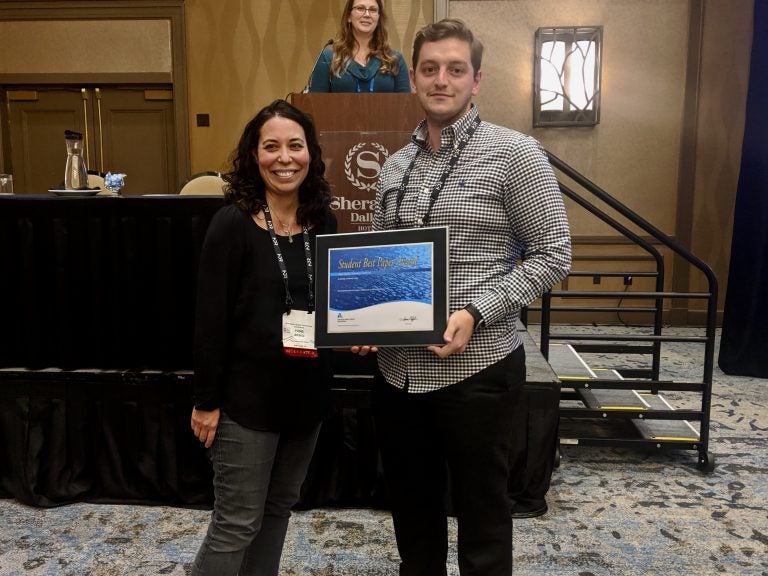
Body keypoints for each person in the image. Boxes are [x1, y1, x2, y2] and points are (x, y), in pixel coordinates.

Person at [353, 19, 572, 576]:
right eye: (429, 69)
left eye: (455, 69)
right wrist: (366, 320)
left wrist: (477, 311)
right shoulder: (394, 167)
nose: (441, 80)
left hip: (478, 371)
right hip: (397, 375)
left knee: (482, 517)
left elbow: (553, 255)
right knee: (412, 514)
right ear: (414, 80)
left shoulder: (515, 154)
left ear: (477, 80)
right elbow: (386, 262)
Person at [190, 99, 337, 576]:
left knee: (277, 513)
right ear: (255, 156)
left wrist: (358, 331)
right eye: (271, 147)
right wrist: (206, 401)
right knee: (235, 524)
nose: (284, 157)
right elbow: (209, 321)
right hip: (245, 405)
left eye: (295, 146)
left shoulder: (324, 223)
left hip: (305, 401)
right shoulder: (232, 224)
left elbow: (333, 307)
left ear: (310, 154)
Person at [307, 0, 410, 93]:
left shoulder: (395, 60)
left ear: (379, 18)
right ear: (348, 16)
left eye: (373, 10)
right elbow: (316, 107)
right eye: (360, 8)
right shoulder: (329, 58)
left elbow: (405, 108)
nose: (367, 14)